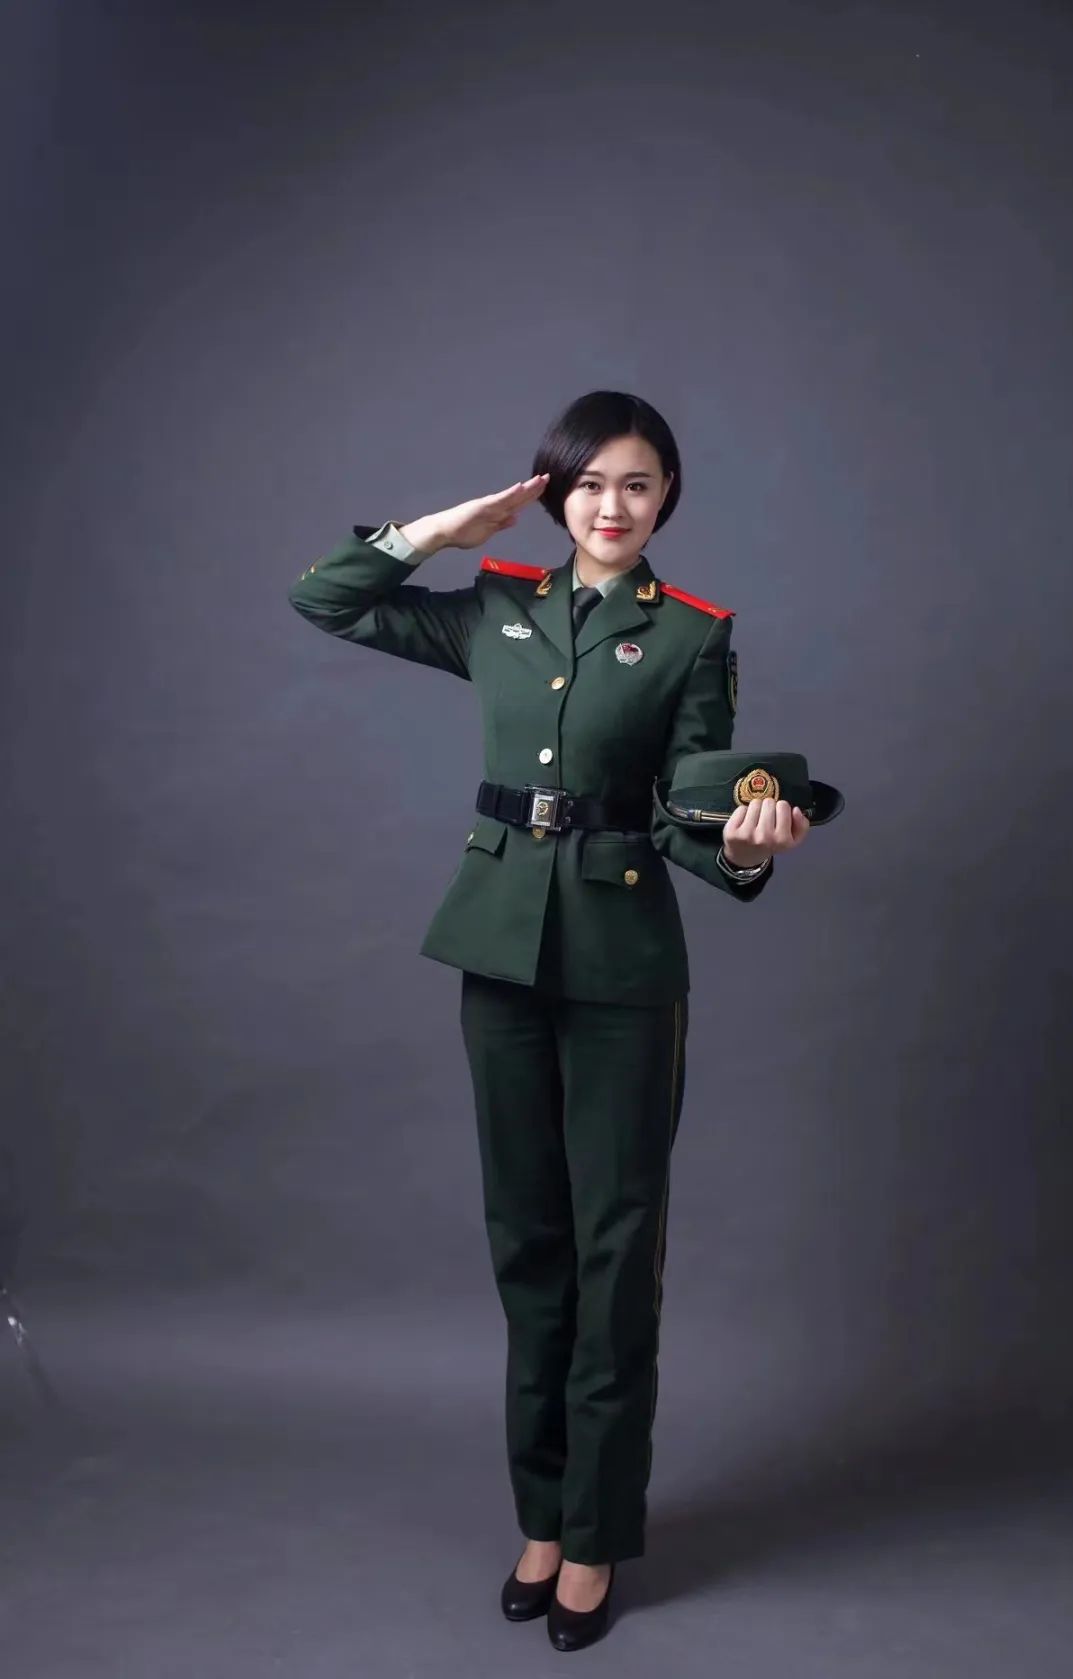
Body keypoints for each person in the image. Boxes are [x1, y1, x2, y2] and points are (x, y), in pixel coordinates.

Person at [287, 390, 811, 1651]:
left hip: (625, 968)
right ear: (553, 491)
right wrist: (437, 531)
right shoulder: (496, 607)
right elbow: (325, 599)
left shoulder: (692, 634)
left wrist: (749, 846)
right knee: (527, 1242)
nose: (610, 505)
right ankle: (539, 1513)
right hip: (499, 952)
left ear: (668, 494)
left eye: (637, 482)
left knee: (615, 1252)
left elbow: (695, 811)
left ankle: (594, 1531)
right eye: (587, 482)